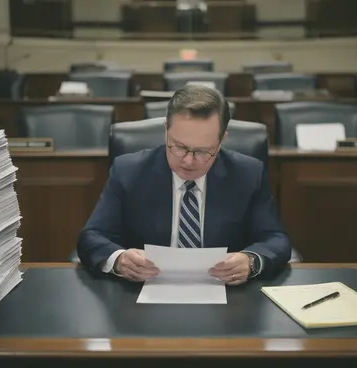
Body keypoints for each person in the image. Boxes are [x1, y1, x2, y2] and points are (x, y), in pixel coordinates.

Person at [77, 84, 291, 285]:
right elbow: (92, 236)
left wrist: (251, 261)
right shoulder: (128, 171)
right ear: (165, 130)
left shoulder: (248, 174)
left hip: (227, 298)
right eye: (178, 147)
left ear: (221, 140)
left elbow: (275, 239)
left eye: (202, 151)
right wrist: (119, 260)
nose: (188, 161)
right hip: (142, 295)